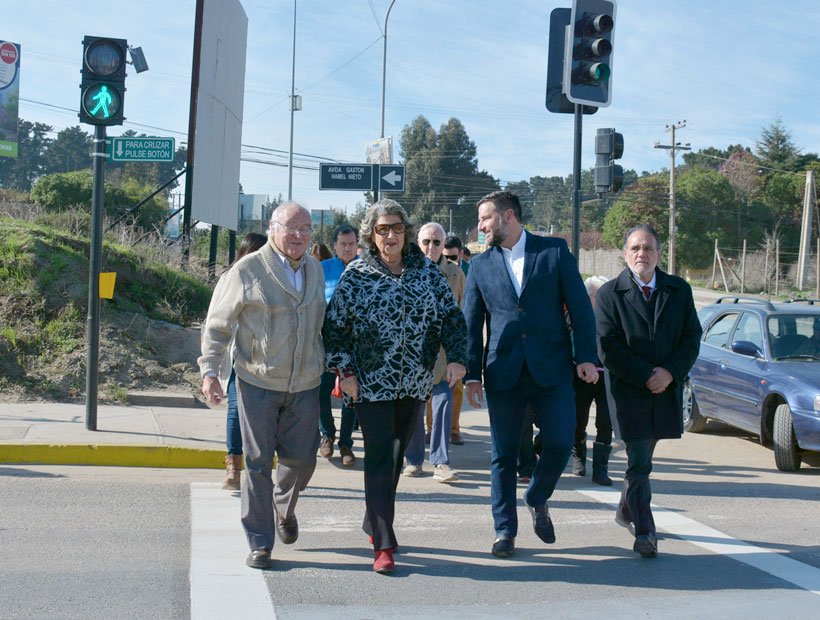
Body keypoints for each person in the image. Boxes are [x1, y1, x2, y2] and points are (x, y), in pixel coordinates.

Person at [323, 199, 467, 574]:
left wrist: (456, 357)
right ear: (372, 234)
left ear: (406, 231)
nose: (390, 236)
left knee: (398, 456)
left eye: (397, 228)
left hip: (416, 382)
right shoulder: (357, 275)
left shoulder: (427, 273)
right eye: (383, 229)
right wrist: (346, 371)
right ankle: (383, 542)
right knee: (381, 458)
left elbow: (452, 318)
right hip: (370, 384)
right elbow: (335, 328)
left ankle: (374, 520)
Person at [462, 190, 598, 559]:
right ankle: (504, 530)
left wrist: (587, 357)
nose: (481, 227)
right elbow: (472, 325)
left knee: (559, 443)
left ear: (507, 216)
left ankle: (537, 496)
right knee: (503, 455)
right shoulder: (479, 264)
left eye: (485, 219)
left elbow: (582, 311)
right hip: (503, 372)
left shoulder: (554, 252)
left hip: (552, 370)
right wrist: (471, 374)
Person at [199, 202, 326, 570]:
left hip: (305, 383)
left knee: (302, 460)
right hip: (257, 381)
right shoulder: (247, 270)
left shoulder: (315, 270)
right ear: (272, 228)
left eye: (306, 228)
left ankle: (284, 508)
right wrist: (210, 372)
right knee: (256, 464)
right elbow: (217, 325)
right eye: (291, 227)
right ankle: (259, 541)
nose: (300, 235)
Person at [596, 224, 702, 558]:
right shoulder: (609, 294)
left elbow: (691, 338)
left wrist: (669, 372)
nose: (642, 254)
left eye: (649, 248)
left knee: (643, 458)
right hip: (629, 392)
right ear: (625, 254)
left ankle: (627, 508)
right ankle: (645, 530)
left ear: (659, 253)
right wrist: (646, 375)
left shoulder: (678, 290)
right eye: (635, 248)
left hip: (666, 390)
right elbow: (607, 348)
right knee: (639, 461)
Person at [404, 222, 465, 482]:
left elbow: (460, 315)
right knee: (414, 410)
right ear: (418, 243)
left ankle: (440, 462)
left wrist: (458, 357)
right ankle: (414, 461)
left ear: (444, 245)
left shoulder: (455, 274)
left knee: (442, 407)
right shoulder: (406, 269)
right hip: (413, 354)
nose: (431, 247)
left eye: (436, 242)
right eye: (426, 241)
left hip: (443, 353)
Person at [214, 232, 268, 490]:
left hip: (268, 361)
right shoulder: (231, 277)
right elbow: (215, 317)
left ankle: (261, 470)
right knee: (236, 410)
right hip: (238, 358)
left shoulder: (272, 280)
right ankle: (233, 468)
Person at [318, 225, 360, 466]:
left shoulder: (365, 269)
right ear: (334, 245)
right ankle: (327, 435)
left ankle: (346, 443)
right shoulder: (323, 269)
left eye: (351, 244)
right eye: (343, 244)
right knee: (321, 392)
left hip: (354, 346)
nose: (347, 248)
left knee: (350, 394)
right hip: (325, 342)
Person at [571, 275, 614, 486]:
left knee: (605, 422)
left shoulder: (613, 317)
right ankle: (578, 457)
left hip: (607, 376)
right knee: (579, 419)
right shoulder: (576, 316)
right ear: (589, 297)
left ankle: (601, 468)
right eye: (600, 295)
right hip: (581, 377)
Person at [442, 235, 468, 445]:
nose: (449, 260)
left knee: (456, 386)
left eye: (452, 256)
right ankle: (432, 428)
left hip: (458, 335)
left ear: (460, 253)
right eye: (446, 256)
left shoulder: (466, 271)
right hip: (437, 335)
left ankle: (454, 428)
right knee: (434, 387)